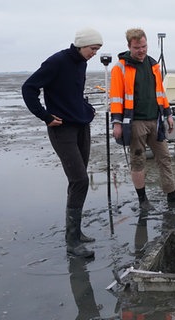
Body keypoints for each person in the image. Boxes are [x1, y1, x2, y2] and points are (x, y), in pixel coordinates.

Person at [22, 27, 103, 258]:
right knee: (80, 180)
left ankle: (75, 232)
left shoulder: (82, 63)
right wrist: (45, 116)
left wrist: (87, 109)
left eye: (97, 50)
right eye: (93, 49)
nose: (94, 53)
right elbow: (28, 88)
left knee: (77, 180)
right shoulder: (56, 61)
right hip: (61, 128)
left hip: (81, 126)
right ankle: (72, 242)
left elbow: (74, 93)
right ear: (81, 45)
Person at [110, 28, 175, 210]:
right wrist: (117, 123)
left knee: (165, 157)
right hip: (135, 122)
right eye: (137, 47)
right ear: (129, 46)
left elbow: (161, 93)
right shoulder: (120, 68)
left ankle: (171, 193)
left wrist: (168, 114)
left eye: (144, 46)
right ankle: (142, 199)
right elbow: (116, 98)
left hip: (156, 121)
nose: (141, 50)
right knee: (138, 160)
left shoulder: (153, 65)